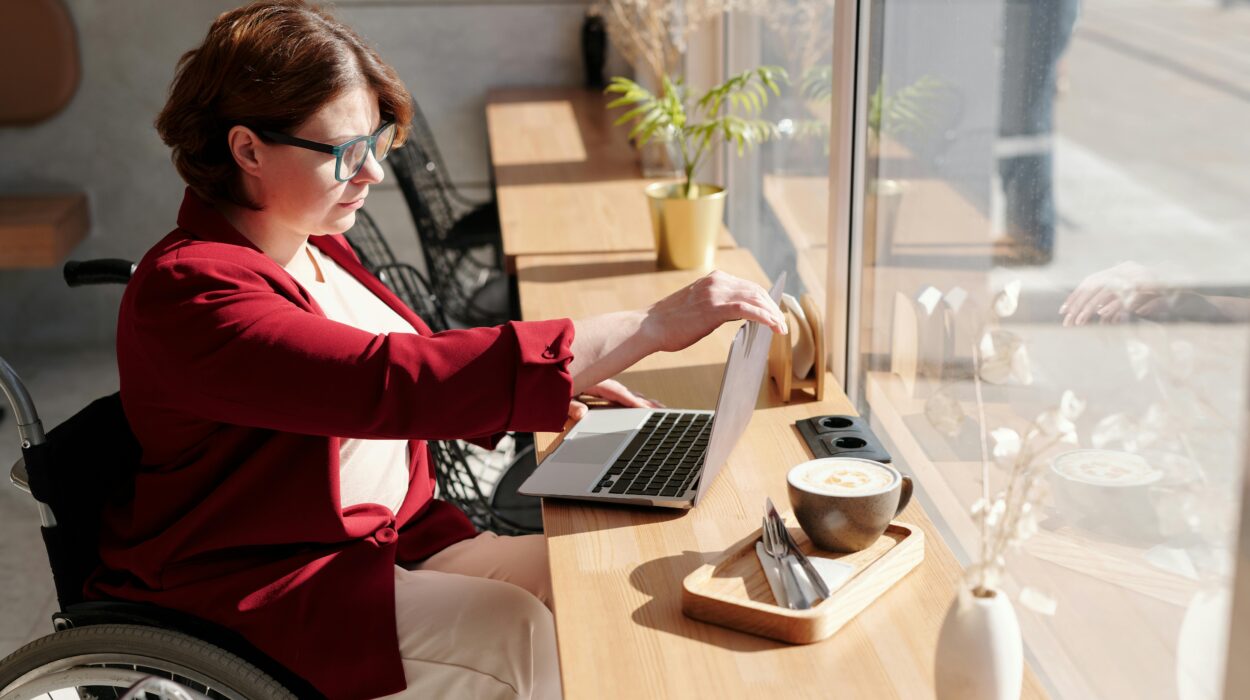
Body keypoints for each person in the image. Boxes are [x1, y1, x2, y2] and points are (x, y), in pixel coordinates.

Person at [83, 3, 787, 699]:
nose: (373, 175)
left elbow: (407, 358)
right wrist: (651, 326)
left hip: (394, 540)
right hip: (276, 581)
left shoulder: (312, 241)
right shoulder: (191, 290)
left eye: (376, 143)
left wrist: (565, 384)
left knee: (594, 575)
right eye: (344, 154)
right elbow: (392, 382)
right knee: (519, 631)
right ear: (247, 150)